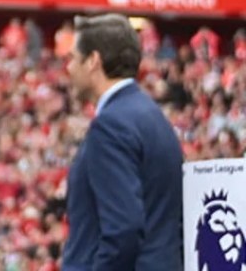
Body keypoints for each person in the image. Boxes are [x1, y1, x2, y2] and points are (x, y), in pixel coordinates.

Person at [62, 14, 183, 270]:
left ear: (93, 61)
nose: (69, 68)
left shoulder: (111, 125)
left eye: (73, 58)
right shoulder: (153, 116)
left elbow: (123, 229)